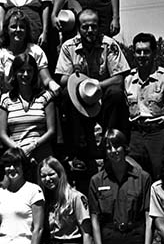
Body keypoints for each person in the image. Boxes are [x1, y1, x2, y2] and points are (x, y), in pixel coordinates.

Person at [55, 9, 130, 173]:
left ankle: (110, 141)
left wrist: (96, 86)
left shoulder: (109, 44)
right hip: (79, 98)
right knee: (65, 95)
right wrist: (78, 77)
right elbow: (62, 79)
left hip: (102, 95)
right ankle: (77, 150)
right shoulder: (69, 47)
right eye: (85, 27)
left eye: (94, 27)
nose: (90, 31)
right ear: (78, 28)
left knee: (116, 93)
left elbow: (119, 78)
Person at [123, 32, 164, 177]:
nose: (142, 55)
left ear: (154, 53)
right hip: (136, 134)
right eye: (138, 51)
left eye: (146, 51)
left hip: (158, 133)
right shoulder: (128, 80)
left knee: (161, 174)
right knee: (135, 177)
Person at [0, 7, 61, 103]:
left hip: (34, 98)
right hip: (9, 101)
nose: (18, 30)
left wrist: (52, 84)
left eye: (22, 27)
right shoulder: (0, 54)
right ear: (7, 29)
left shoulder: (35, 50)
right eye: (14, 26)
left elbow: (46, 78)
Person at [0, 52, 58, 165]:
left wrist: (33, 146)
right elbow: (3, 134)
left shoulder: (45, 96)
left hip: (41, 152)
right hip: (16, 154)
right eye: (21, 70)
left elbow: (51, 131)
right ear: (14, 72)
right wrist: (20, 150)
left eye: (29, 70)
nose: (25, 74)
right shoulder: (6, 99)